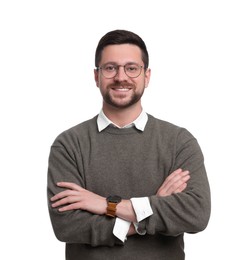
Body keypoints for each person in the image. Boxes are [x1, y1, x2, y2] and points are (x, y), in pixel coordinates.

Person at [47, 29, 211, 260]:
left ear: (147, 76)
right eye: (110, 68)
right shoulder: (68, 144)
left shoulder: (179, 142)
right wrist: (148, 215)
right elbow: (66, 225)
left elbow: (196, 214)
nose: (121, 77)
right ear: (96, 76)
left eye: (132, 68)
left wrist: (105, 205)